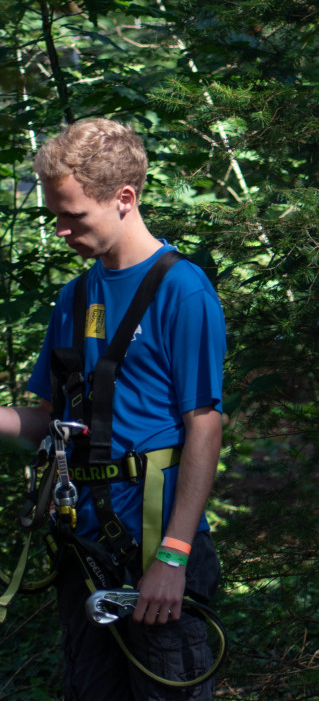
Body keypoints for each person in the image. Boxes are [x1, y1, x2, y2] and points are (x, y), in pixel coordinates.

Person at [0, 118, 226, 699]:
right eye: (56, 213)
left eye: (73, 215)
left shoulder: (183, 289)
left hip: (157, 552)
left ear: (124, 198)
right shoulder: (74, 297)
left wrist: (173, 558)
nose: (61, 229)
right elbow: (45, 418)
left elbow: (204, 423)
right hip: (84, 551)